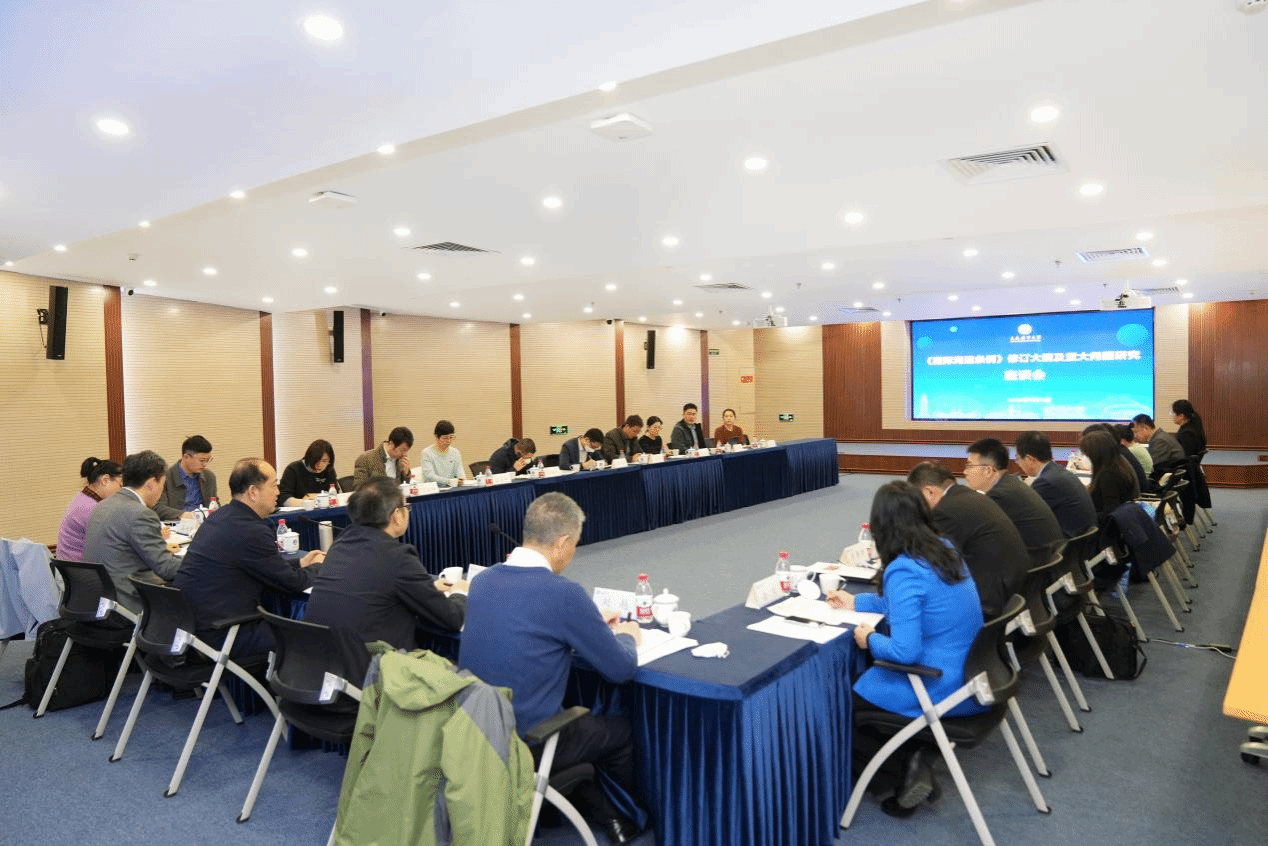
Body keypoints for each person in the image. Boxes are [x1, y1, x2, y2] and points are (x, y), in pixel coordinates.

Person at [458, 493, 644, 845]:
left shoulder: (482, 582)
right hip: (527, 742)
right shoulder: (563, 594)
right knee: (619, 732)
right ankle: (625, 816)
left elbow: (525, 630)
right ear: (561, 543)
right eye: (574, 544)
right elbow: (620, 670)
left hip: (474, 732)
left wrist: (587, 623)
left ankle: (591, 802)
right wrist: (626, 636)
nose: (573, 553)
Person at [825, 480, 985, 818]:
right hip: (974, 672)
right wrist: (857, 601)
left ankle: (902, 775)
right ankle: (913, 758)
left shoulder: (903, 568)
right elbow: (911, 606)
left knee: (839, 704)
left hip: (936, 682)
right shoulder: (943, 548)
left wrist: (869, 639)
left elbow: (904, 652)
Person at [304, 477, 467, 681]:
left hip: (321, 674)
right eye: (407, 507)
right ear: (397, 515)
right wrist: (459, 592)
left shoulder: (339, 546)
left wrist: (426, 588)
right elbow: (451, 618)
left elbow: (374, 589)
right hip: (373, 679)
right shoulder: (397, 556)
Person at [174, 458, 324, 657]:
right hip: (222, 633)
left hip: (191, 628)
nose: (278, 492)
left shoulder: (220, 517)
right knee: (309, 638)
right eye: (274, 485)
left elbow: (259, 566)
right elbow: (293, 583)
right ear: (253, 492)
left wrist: (301, 562)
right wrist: (320, 566)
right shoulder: (251, 530)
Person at [906, 461, 1029, 620]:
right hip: (1013, 590)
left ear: (929, 492)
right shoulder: (968, 496)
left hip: (990, 602)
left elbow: (928, 559)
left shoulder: (946, 510)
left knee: (913, 606)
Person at [83, 450, 184, 613]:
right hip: (127, 605)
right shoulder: (141, 514)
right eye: (162, 484)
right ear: (152, 483)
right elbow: (166, 569)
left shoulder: (103, 505)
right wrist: (201, 561)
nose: (162, 491)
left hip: (97, 601)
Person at [964, 438, 1063, 563]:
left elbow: (979, 540)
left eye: (969, 466)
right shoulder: (1011, 484)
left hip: (1036, 566)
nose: (965, 472)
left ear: (988, 471)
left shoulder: (999, 496)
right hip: (1048, 559)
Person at [1013, 431, 1098, 539]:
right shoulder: (1058, 472)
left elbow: (1026, 517)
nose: (1018, 463)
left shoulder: (1046, 482)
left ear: (1030, 459)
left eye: (1018, 459)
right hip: (1082, 539)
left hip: (1068, 543)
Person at [57, 457, 122, 562]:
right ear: (105, 480)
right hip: (83, 568)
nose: (121, 490)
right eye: (121, 484)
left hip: (70, 566)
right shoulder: (93, 509)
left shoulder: (82, 498)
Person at [1080, 430, 1140, 529]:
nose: (1086, 456)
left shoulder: (1109, 475)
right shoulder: (1117, 464)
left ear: (1096, 453)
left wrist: (1084, 517)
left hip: (1104, 529)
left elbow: (1110, 513)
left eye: (1087, 453)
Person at [152, 435, 217, 520]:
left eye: (207, 460)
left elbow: (214, 502)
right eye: (202, 460)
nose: (205, 464)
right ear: (186, 457)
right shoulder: (166, 477)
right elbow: (158, 507)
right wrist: (183, 515)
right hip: (177, 523)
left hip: (204, 523)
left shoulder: (209, 477)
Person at [279, 439, 339, 505]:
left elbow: (335, 493)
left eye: (324, 461)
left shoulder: (329, 469)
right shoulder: (293, 469)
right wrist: (308, 502)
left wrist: (317, 497)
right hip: (299, 509)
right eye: (317, 461)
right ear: (309, 458)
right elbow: (284, 499)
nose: (320, 465)